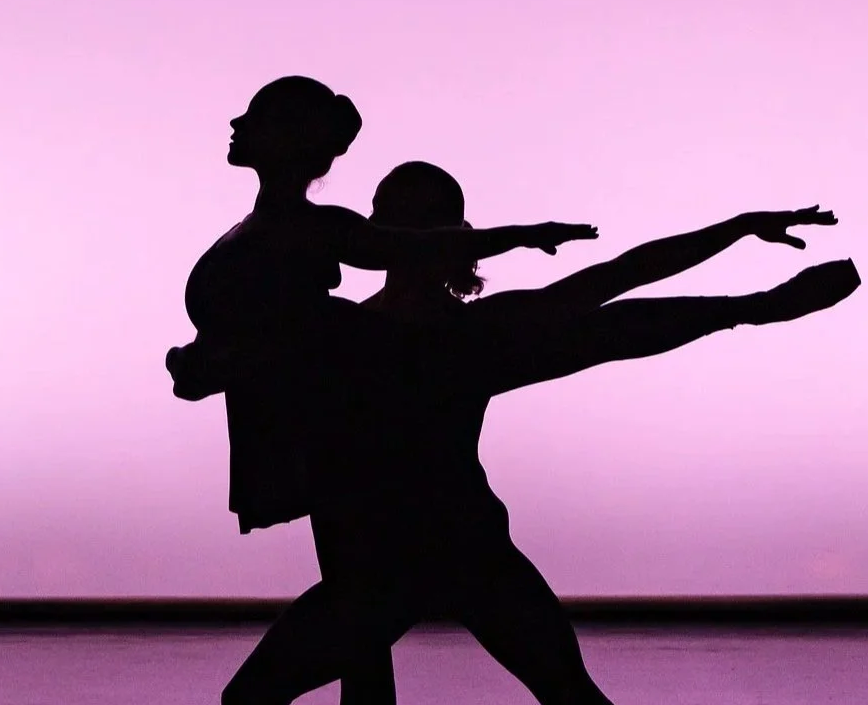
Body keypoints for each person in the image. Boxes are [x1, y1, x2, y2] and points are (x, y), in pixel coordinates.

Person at [198, 161, 861, 705]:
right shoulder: (344, 332)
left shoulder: (459, 334)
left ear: (450, 239)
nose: (405, 235)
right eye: (393, 218)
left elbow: (619, 295)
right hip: (389, 565)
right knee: (270, 699)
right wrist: (205, 366)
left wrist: (749, 282)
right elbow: (238, 362)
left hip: (458, 558)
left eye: (421, 221)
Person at [170, 76, 595, 533]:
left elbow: (418, 248)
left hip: (339, 453)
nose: (237, 123)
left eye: (257, 117)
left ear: (290, 138)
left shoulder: (317, 230)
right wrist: (204, 360)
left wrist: (525, 235)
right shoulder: (256, 230)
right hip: (310, 451)